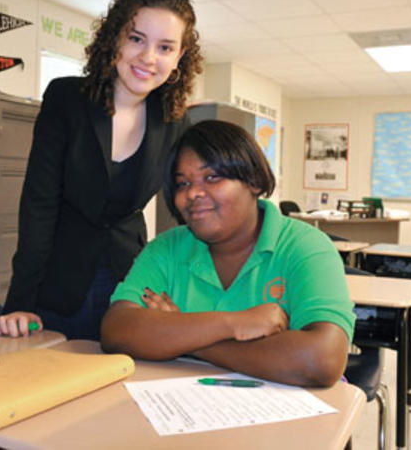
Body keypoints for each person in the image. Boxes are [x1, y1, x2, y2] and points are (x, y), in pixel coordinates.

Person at [0, 0, 203, 340]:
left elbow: (187, 213)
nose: (149, 58)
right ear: (114, 38)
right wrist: (19, 301)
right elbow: (39, 204)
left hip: (132, 282)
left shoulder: (174, 122)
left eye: (165, 47)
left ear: (179, 57)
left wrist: (177, 293)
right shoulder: (67, 98)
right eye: (136, 38)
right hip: (58, 279)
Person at [101, 120, 355, 387]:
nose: (193, 193)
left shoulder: (305, 246)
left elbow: (321, 361)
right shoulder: (166, 248)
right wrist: (232, 324)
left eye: (212, 177)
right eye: (182, 183)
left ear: (254, 181)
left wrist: (184, 336)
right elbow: (116, 330)